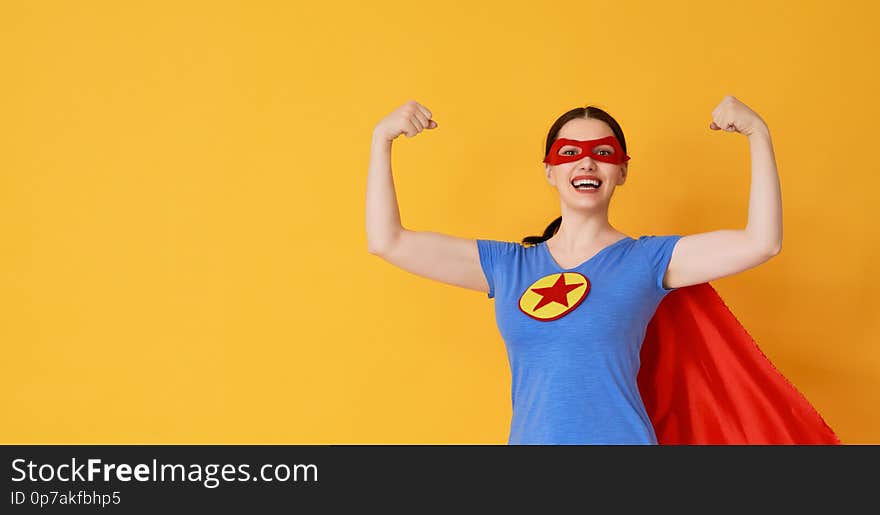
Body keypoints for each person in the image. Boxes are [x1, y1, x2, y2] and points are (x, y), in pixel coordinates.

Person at [366, 98, 839, 445]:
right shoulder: (509, 266)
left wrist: (759, 134)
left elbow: (762, 242)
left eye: (604, 153)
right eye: (569, 152)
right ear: (549, 171)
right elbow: (387, 241)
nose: (586, 161)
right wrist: (381, 140)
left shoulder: (648, 260)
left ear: (622, 172)